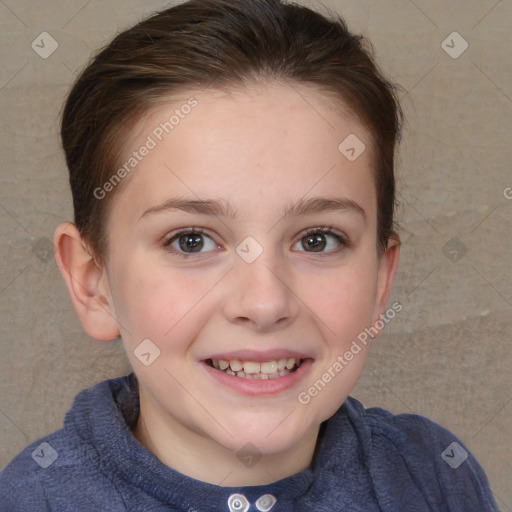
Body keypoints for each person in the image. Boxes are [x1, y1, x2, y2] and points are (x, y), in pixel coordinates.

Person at [0, 0, 499, 510]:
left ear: (380, 280)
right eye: (191, 240)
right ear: (93, 282)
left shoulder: (436, 478)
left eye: (317, 239)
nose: (264, 304)